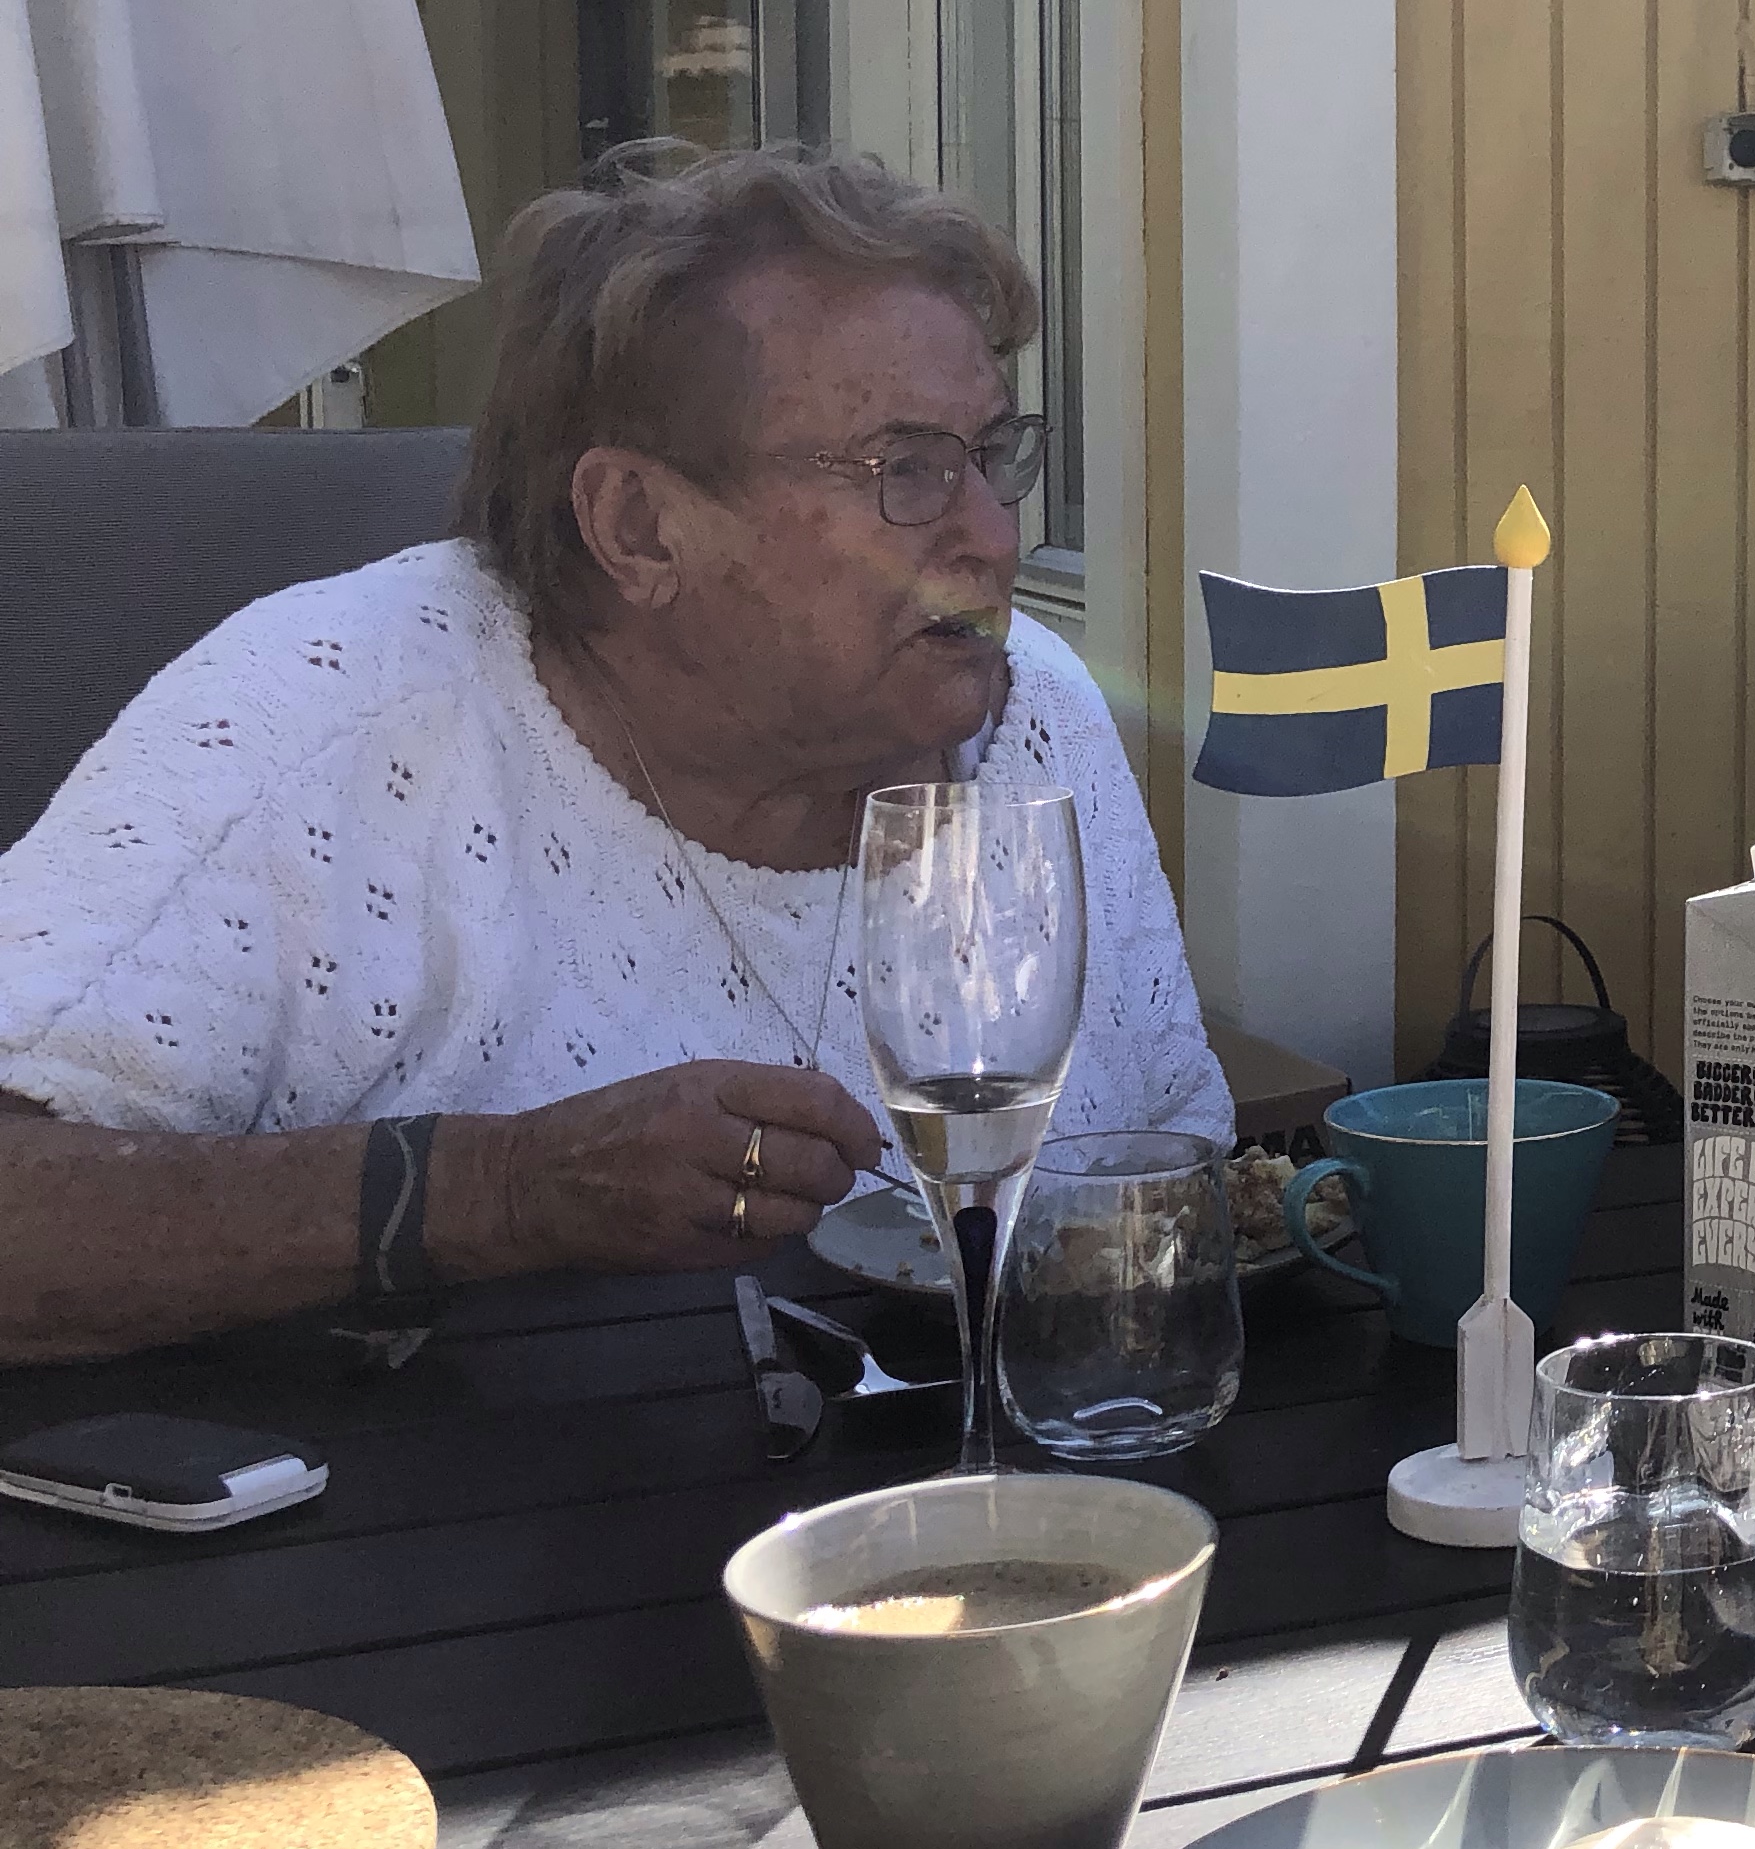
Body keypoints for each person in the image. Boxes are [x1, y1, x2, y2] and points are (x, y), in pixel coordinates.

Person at [0, 146, 1228, 1364]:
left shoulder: (1033, 715)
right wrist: (497, 1191)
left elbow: (1181, 1169)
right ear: (639, 527)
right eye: (905, 469)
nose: (995, 538)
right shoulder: (332, 719)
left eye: (992, 456)